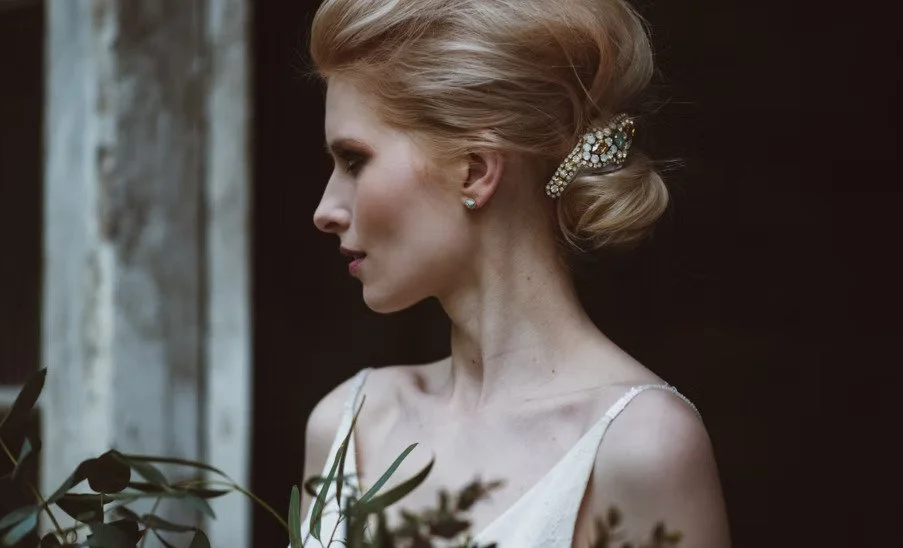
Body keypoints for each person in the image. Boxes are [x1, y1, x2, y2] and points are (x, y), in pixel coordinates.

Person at [297, 0, 730, 546]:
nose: (325, 209)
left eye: (355, 160)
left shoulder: (640, 447)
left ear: (475, 170)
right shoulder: (347, 425)